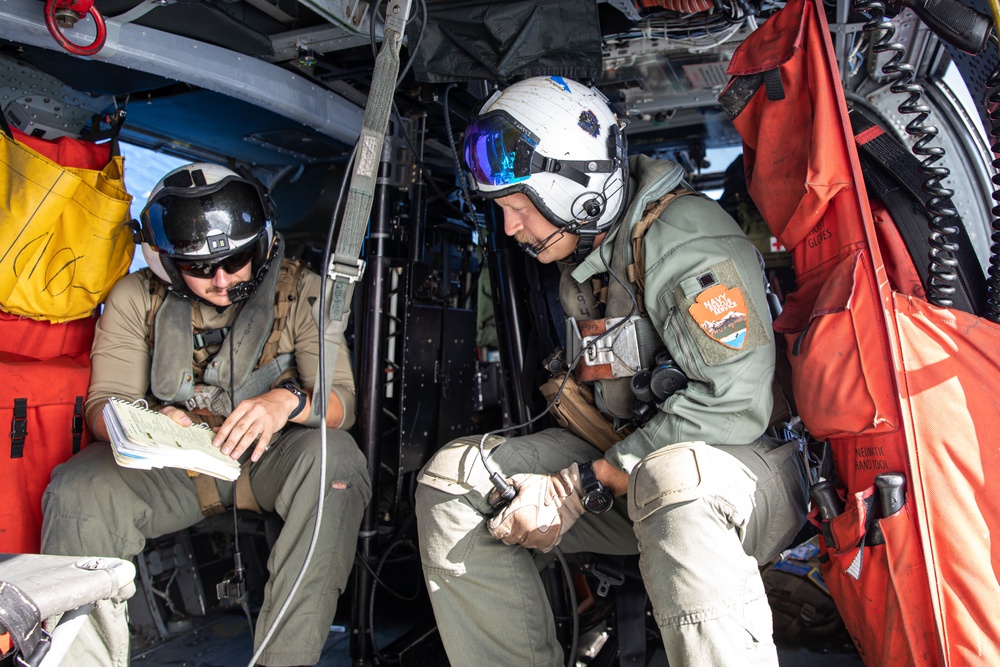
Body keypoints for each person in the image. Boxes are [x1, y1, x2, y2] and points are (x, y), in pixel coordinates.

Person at [415, 76, 809, 666]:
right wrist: (580, 480)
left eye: (519, 207)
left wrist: (587, 483)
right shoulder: (588, 260)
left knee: (673, 485)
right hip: (630, 472)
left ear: (580, 192)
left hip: (748, 474)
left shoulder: (686, 242)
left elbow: (737, 400)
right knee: (455, 482)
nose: (510, 227)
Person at [41, 162, 371, 667]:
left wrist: (286, 402)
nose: (220, 279)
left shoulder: (302, 289)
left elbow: (342, 403)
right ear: (170, 263)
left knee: (337, 464)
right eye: (199, 268)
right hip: (175, 466)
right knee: (79, 488)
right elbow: (102, 405)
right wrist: (142, 425)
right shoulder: (136, 298)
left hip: (270, 457)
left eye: (235, 260)